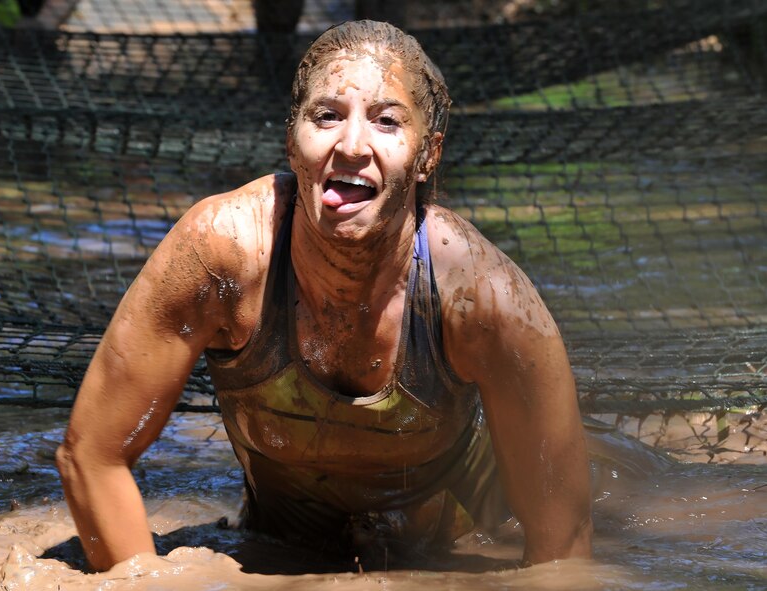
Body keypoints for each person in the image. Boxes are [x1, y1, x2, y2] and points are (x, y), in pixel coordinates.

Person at [56, 20, 593, 573]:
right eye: (327, 116)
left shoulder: (485, 299)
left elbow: (564, 541)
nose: (353, 145)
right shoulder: (222, 253)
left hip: (454, 551)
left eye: (387, 121)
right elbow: (92, 456)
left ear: (428, 155)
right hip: (277, 544)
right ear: (292, 143)